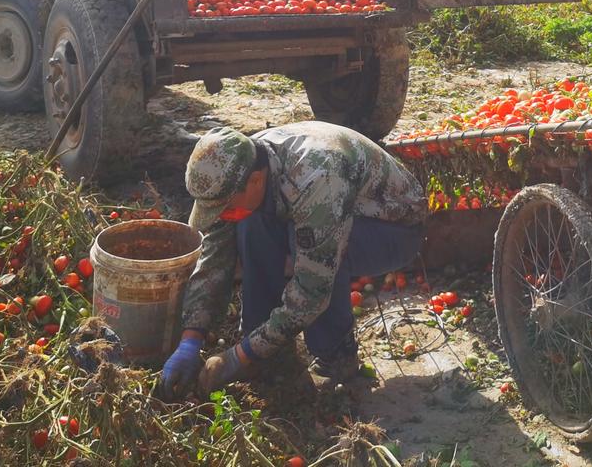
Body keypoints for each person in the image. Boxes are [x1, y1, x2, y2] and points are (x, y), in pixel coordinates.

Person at [160, 122, 427, 399]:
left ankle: (335, 355)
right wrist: (191, 339)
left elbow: (312, 290)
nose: (222, 213)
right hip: (330, 212)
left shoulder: (317, 178)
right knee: (249, 222)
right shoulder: (238, 166)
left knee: (306, 244)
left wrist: (236, 358)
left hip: (393, 228)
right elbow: (214, 256)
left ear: (255, 180)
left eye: (224, 206)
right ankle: (262, 343)